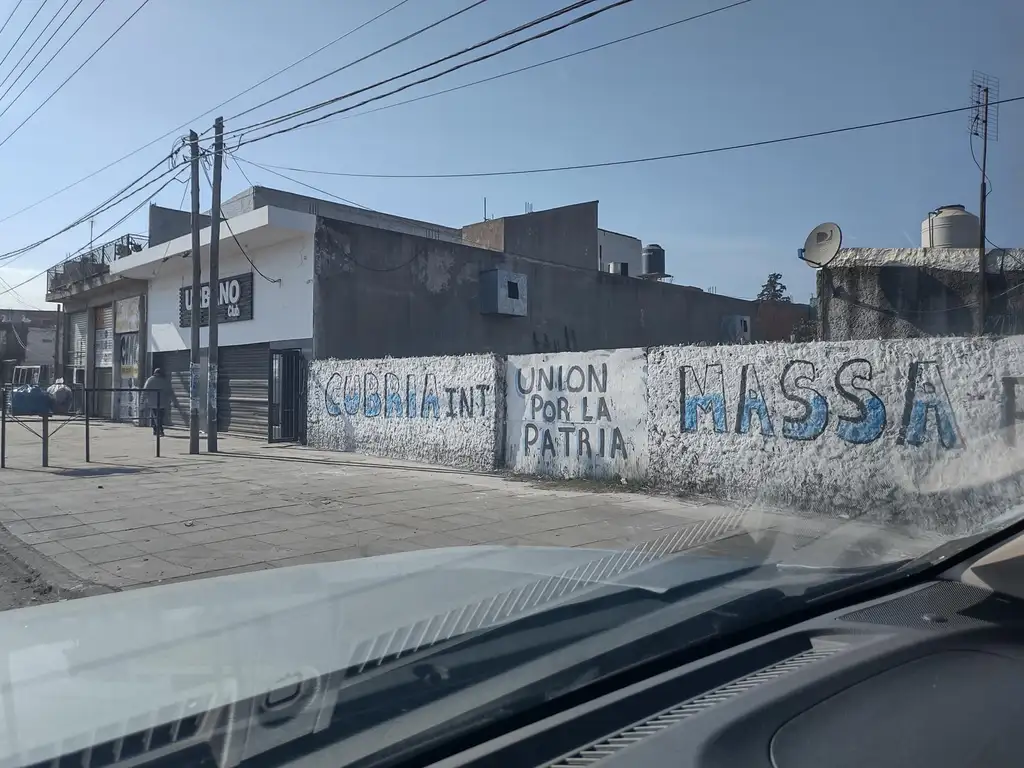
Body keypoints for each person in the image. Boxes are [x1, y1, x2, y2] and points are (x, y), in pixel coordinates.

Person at [143, 368, 172, 437]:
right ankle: (159, 430)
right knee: (160, 417)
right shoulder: (164, 380)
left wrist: (143, 401)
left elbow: (145, 391)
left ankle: (156, 430)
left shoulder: (150, 380)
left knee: (155, 417)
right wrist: (170, 401)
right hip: (162, 403)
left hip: (152, 403)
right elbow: (169, 392)